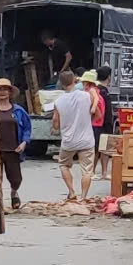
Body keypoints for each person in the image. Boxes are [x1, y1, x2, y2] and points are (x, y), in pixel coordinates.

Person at [49, 70, 97, 203]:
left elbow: (55, 122)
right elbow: (96, 113)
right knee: (87, 170)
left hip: (68, 141)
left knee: (64, 165)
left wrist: (55, 128)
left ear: (61, 84)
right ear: (74, 81)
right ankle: (83, 196)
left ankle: (71, 191)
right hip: (86, 140)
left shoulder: (59, 101)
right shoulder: (86, 96)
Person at [0, 77, 30, 211]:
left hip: (14, 149)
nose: (2, 93)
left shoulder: (18, 111)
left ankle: (14, 193)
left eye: (5, 90)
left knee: (16, 178)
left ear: (10, 92)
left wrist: (24, 142)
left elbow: (27, 128)